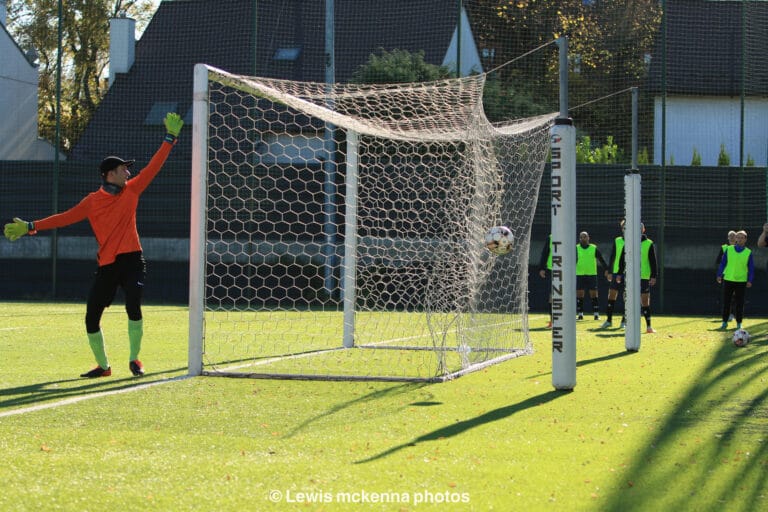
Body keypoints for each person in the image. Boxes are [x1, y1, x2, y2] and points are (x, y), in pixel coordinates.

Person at [3, 112, 184, 378]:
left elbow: (153, 168)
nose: (129, 172)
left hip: (133, 260)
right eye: (124, 168)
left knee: (133, 305)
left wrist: (170, 138)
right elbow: (63, 218)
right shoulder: (91, 201)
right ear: (110, 174)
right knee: (91, 317)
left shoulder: (132, 190)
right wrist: (31, 226)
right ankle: (103, 366)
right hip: (108, 265)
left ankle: (135, 360)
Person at [617, 223, 659, 333]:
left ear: (643, 229)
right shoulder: (628, 242)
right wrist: (619, 274)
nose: (639, 230)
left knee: (645, 301)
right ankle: (625, 322)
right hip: (630, 276)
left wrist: (653, 276)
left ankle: (648, 326)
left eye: (641, 228)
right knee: (628, 298)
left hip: (644, 276)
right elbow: (622, 260)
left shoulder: (649, 243)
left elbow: (653, 261)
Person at [716, 230, 753, 330]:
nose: (740, 239)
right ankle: (724, 322)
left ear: (745, 239)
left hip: (741, 281)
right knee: (726, 301)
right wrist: (719, 274)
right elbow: (723, 263)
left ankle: (739, 323)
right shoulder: (729, 249)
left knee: (740, 303)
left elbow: (751, 267)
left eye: (742, 238)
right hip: (728, 279)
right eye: (738, 237)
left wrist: (750, 280)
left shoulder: (748, 252)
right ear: (735, 239)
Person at [576, 231, 609, 321]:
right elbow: (573, 261)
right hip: (579, 274)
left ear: (588, 238)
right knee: (580, 295)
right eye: (581, 237)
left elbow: (601, 259)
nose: (583, 238)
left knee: (594, 294)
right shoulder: (576, 248)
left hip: (592, 274)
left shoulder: (593, 248)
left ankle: (596, 314)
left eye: (585, 237)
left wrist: (607, 269)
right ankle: (580, 314)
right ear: (579, 238)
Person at [600, 220, 626, 329]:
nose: (625, 229)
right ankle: (609, 320)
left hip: (628, 273)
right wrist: (610, 271)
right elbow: (613, 256)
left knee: (626, 297)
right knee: (611, 295)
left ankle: (624, 321)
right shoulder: (618, 240)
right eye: (623, 227)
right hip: (616, 272)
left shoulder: (635, 241)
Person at [716, 230, 737, 321]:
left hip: (737, 275)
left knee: (735, 296)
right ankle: (726, 314)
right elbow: (718, 262)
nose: (732, 238)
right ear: (728, 238)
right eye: (730, 236)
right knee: (726, 295)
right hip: (726, 275)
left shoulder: (739, 248)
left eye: (733, 236)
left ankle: (733, 314)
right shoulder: (724, 248)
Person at [538, 233, 553, 328]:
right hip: (552, 269)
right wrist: (542, 268)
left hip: (565, 270)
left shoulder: (568, 234)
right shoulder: (551, 237)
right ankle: (553, 321)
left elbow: (574, 252)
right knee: (552, 296)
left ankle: (566, 320)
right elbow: (545, 252)